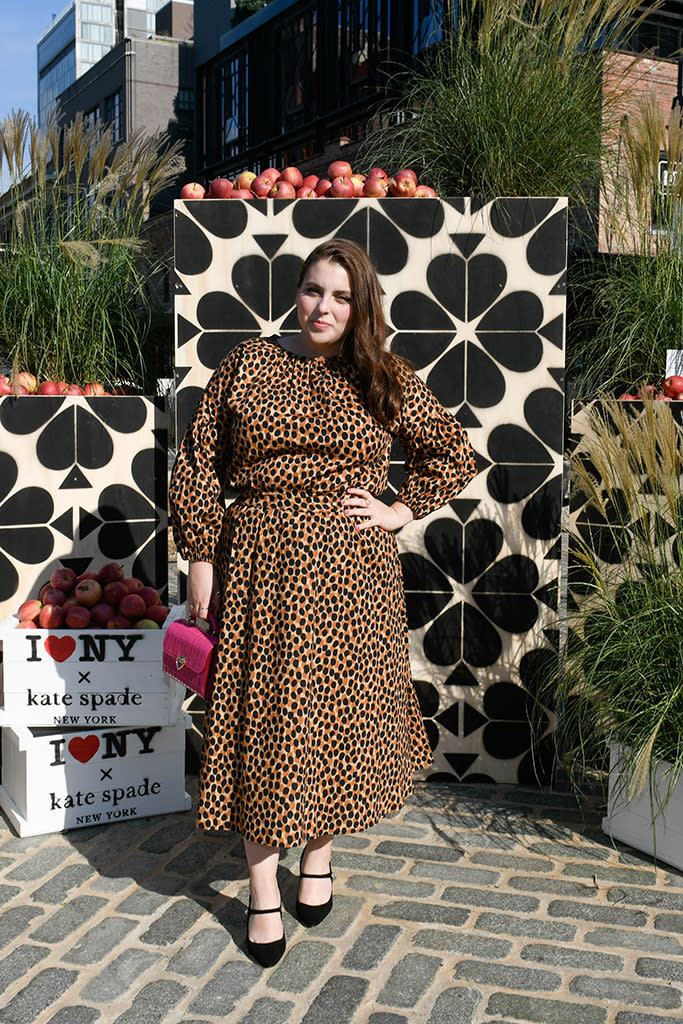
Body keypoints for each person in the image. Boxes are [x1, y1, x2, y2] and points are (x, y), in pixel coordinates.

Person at [169, 238, 477, 967]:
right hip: (258, 568)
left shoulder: (381, 374)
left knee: (334, 721)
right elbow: (197, 464)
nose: (323, 307)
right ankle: (261, 887)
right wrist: (201, 556)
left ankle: (317, 860)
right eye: (313, 290)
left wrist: (399, 510)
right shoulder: (247, 363)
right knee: (268, 725)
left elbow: (451, 454)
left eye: (340, 296)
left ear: (360, 305)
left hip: (350, 575)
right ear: (295, 291)